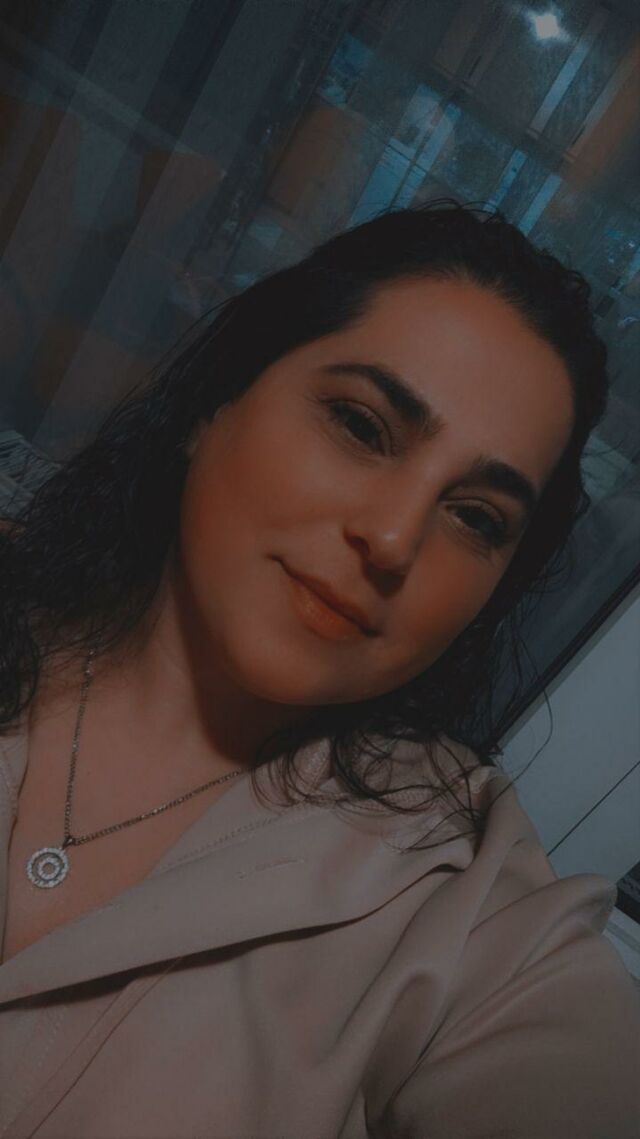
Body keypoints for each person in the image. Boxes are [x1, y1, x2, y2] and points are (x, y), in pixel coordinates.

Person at [0, 200, 638, 1137]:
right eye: (362, 426)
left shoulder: (466, 910)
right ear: (218, 401)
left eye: (476, 517)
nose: (394, 538)